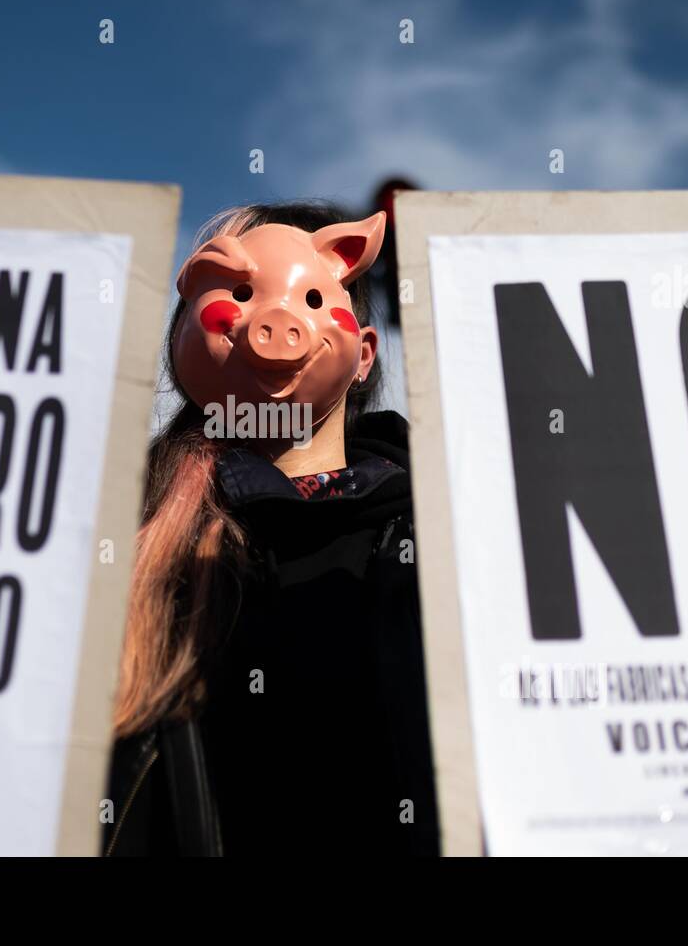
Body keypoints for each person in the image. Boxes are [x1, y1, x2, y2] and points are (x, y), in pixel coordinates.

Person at [102, 200, 439, 856]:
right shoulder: (111, 545)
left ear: (364, 353)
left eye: (311, 296)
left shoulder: (446, 544)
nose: (272, 324)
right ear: (186, 339)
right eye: (236, 292)